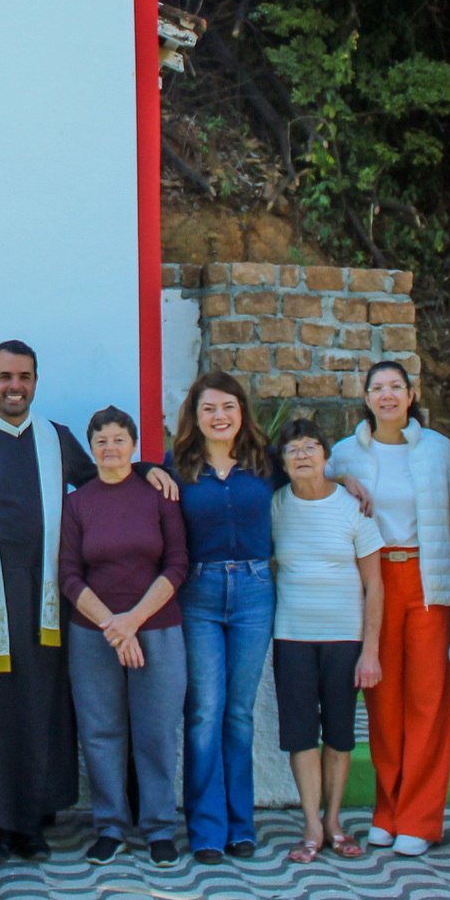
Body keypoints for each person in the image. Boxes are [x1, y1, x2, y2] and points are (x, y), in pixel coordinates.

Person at [0, 339, 179, 863]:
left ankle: (33, 824)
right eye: (5, 377)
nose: (14, 386)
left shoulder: (56, 440)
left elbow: (104, 477)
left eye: (24, 377)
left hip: (50, 601)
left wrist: (146, 469)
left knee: (43, 709)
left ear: (36, 382)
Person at [323, 359, 450, 857]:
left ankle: (420, 819)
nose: (387, 395)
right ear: (365, 397)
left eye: (395, 387)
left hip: (426, 579)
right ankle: (388, 810)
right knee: (383, 703)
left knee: (428, 700)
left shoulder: (438, 449)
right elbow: (314, 495)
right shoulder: (342, 453)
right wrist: (340, 482)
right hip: (374, 582)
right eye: (377, 388)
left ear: (410, 394)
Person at [59, 405, 189, 868]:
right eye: (101, 440)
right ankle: (110, 827)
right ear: (91, 450)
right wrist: (113, 627)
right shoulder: (77, 503)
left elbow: (177, 564)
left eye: (119, 439)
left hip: (156, 629)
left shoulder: (159, 496)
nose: (110, 447)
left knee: (155, 732)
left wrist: (131, 621)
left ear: (134, 447)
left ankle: (157, 828)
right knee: (101, 732)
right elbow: (70, 576)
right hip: (93, 634)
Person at [168, 370, 280, 865]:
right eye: (209, 408)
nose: (219, 416)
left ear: (242, 413)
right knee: (205, 711)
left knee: (238, 712)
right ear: (195, 416)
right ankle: (206, 828)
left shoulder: (263, 462)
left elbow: (314, 470)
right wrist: (149, 471)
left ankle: (241, 824)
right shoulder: (177, 468)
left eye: (228, 407)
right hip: (199, 593)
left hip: (256, 592)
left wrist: (347, 480)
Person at [266, 420, 384, 866]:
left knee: (338, 734)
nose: (302, 455)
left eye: (310, 446)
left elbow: (375, 584)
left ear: (325, 455)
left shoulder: (352, 506)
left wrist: (370, 650)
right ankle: (311, 824)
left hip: (345, 639)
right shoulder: (275, 505)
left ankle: (335, 821)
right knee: (300, 735)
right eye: (292, 449)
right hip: (292, 636)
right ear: (283, 462)